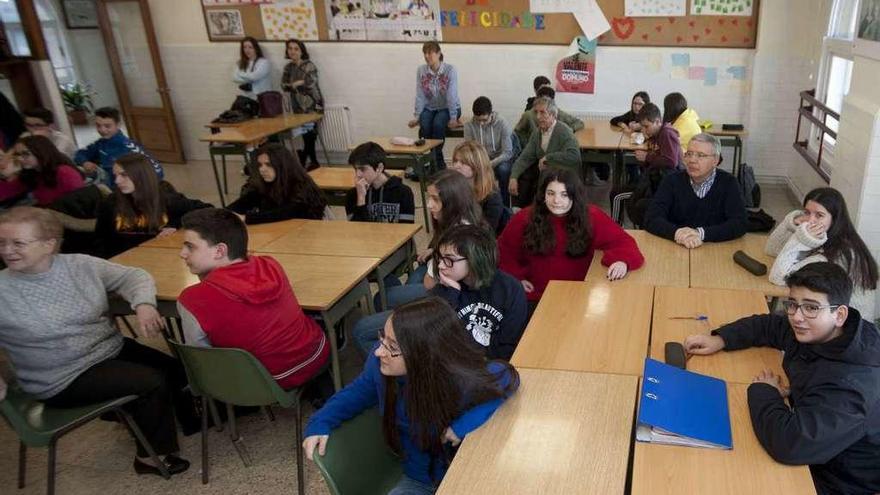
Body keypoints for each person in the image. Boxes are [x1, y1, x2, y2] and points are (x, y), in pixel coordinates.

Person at [0, 206, 193, 476]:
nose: (7, 250)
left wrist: (144, 304)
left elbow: (134, 276)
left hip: (106, 349)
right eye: (2, 242)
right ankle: (150, 457)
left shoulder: (79, 265)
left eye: (17, 243)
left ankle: (185, 421)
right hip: (62, 377)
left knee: (177, 369)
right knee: (150, 381)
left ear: (49, 244)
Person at [684, 262, 880, 495]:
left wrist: (764, 391)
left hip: (834, 477)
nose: (797, 317)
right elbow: (771, 326)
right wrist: (722, 339)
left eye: (811, 307)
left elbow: (790, 444)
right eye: (792, 304)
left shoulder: (852, 386)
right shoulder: (825, 331)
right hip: (813, 438)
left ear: (839, 314)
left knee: (717, 477)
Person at [303, 297, 520, 494]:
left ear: (424, 354)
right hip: (419, 479)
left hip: (464, 473)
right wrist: (321, 421)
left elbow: (507, 377)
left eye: (392, 346)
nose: (379, 351)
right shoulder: (379, 366)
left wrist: (463, 425)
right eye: (382, 339)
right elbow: (355, 393)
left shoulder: (455, 378)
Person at [177, 208, 330, 389]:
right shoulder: (270, 264)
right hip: (318, 354)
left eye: (190, 247)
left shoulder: (192, 300)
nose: (182, 253)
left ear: (219, 251)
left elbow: (206, 362)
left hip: (269, 382)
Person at [352, 224, 528, 359]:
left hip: (485, 367)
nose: (441, 266)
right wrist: (451, 293)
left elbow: (506, 350)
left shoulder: (510, 290)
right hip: (446, 365)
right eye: (440, 259)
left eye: (449, 260)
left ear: (475, 260)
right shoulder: (445, 287)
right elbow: (433, 335)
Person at [499, 168, 644, 306]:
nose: (556, 201)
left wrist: (622, 262)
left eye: (564, 194)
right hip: (536, 295)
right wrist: (516, 279)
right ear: (543, 195)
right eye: (550, 193)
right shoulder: (523, 218)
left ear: (575, 196)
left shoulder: (591, 216)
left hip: (579, 295)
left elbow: (624, 242)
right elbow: (503, 252)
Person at [766, 187, 878, 321]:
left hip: (845, 329)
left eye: (819, 215)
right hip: (830, 318)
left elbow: (777, 278)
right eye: (807, 212)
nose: (810, 220)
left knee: (769, 320)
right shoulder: (836, 237)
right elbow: (771, 249)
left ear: (834, 219)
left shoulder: (834, 255)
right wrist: (793, 222)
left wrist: (798, 239)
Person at [389, 170, 484, 309]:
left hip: (450, 296)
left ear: (452, 201)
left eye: (435, 199)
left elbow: (429, 283)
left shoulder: (456, 234)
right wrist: (434, 251)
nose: (428, 205)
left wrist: (435, 257)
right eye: (429, 198)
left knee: (383, 298)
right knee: (411, 280)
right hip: (449, 285)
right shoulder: (466, 219)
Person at [94, 153, 211, 258]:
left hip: (160, 257)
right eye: (115, 175)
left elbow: (207, 210)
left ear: (141, 176)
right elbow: (101, 241)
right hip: (124, 262)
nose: (117, 181)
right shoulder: (110, 203)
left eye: (124, 175)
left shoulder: (166, 198)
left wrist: (176, 224)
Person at [644, 133, 747, 247]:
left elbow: (740, 223)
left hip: (714, 249)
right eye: (689, 154)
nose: (692, 160)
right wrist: (677, 233)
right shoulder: (671, 181)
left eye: (700, 155)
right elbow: (651, 218)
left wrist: (700, 233)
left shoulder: (728, 183)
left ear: (715, 160)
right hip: (675, 246)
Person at [609, 102, 682, 226]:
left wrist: (647, 157)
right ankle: (618, 226)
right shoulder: (656, 134)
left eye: (646, 126)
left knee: (617, 195)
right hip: (653, 181)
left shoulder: (666, 133)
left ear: (658, 121)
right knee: (617, 193)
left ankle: (615, 227)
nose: (643, 130)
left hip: (662, 184)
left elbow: (671, 161)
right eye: (642, 126)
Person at [227, 143, 326, 224]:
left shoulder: (301, 186)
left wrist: (246, 218)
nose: (262, 169)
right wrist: (224, 213)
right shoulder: (264, 184)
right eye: (260, 165)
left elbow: (285, 213)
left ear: (282, 166)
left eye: (268, 165)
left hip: (303, 235)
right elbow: (246, 201)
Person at [509, 97, 580, 208]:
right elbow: (525, 157)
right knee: (522, 176)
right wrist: (513, 177)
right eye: (536, 112)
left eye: (542, 113)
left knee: (541, 180)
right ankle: (519, 212)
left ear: (553, 114)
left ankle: (535, 212)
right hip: (545, 171)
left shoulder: (564, 131)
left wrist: (548, 158)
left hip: (562, 173)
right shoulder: (537, 133)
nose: (538, 117)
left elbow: (574, 156)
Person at [74, 107, 163, 187]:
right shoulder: (101, 143)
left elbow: (157, 172)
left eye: (107, 126)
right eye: (98, 125)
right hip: (108, 185)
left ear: (118, 125)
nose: (102, 130)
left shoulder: (128, 147)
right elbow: (80, 154)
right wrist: (85, 162)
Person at [408, 41, 461, 169]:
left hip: (449, 108)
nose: (427, 56)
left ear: (438, 54)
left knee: (438, 124)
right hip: (430, 108)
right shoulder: (421, 70)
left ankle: (434, 162)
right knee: (425, 126)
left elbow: (451, 95)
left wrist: (453, 117)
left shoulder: (450, 70)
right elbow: (420, 95)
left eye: (430, 53)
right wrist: (417, 116)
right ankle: (437, 162)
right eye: (424, 53)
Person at [345, 141, 415, 224]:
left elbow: (407, 230)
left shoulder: (403, 192)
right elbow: (356, 231)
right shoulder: (352, 194)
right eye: (355, 169)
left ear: (379, 168)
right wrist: (361, 199)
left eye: (362, 169)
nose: (358, 174)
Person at [281, 39, 324, 170]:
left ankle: (306, 158)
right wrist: (296, 84)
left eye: (296, 48)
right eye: (290, 48)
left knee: (310, 134)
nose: (293, 51)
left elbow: (311, 82)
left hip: (313, 104)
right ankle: (312, 161)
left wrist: (298, 83)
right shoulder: (288, 67)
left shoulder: (309, 65)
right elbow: (283, 85)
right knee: (305, 134)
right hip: (297, 105)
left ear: (302, 51)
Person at [463, 96, 514, 206]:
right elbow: (469, 150)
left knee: (504, 170)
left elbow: (508, 152)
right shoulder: (469, 125)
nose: (481, 123)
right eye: (478, 120)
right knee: (468, 171)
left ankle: (505, 206)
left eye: (484, 120)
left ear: (491, 114)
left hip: (500, 158)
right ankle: (476, 206)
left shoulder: (502, 123)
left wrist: (489, 164)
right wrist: (479, 163)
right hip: (480, 159)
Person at [449, 140, 507, 235]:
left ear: (477, 165)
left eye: (463, 162)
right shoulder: (455, 190)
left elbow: (485, 235)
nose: (456, 166)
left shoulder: (493, 198)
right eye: (455, 161)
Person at [10, 135, 84, 206]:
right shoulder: (32, 172)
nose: (19, 159)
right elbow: (9, 190)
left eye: (25, 154)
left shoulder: (65, 173)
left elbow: (79, 204)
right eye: (17, 154)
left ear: (42, 152)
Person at [513, 86, 584, 148]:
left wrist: (569, 130)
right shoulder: (528, 115)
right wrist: (526, 143)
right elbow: (516, 133)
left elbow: (579, 123)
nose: (539, 116)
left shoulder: (558, 113)